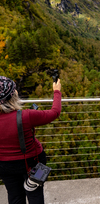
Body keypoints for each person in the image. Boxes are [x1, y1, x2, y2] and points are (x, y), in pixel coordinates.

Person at [0, 76, 62, 204]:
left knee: (15, 196)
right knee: (35, 194)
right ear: (12, 96)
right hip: (34, 162)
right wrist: (57, 91)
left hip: (4, 165)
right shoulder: (26, 116)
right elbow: (54, 112)